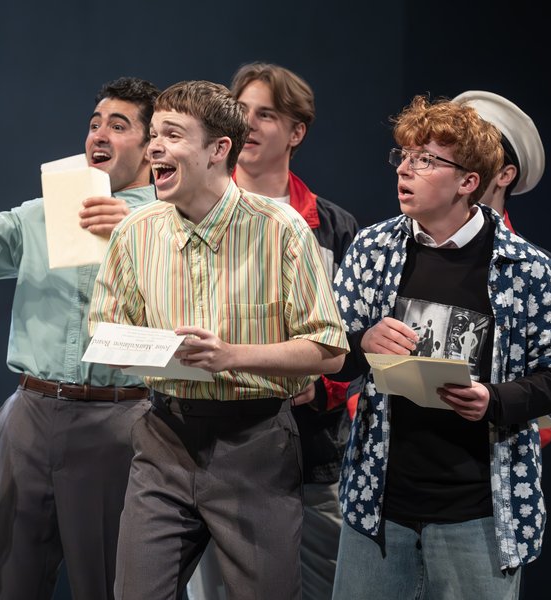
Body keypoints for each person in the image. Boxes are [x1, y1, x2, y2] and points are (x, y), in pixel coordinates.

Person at [90, 80, 349, 599]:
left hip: (255, 442)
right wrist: (152, 351)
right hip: (163, 435)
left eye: (173, 135)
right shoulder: (135, 231)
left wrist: (231, 355)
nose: (155, 147)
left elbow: (329, 349)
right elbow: (104, 327)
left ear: (218, 149)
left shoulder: (280, 229)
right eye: (154, 134)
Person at [329, 95, 551, 599]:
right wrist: (363, 341)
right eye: (404, 156)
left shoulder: (531, 270)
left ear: (468, 183)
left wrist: (494, 400)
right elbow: (329, 351)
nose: (405, 169)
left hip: (479, 514)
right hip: (379, 506)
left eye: (426, 160)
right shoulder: (373, 249)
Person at [0, 77, 160, 600]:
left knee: (109, 585)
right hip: (32, 417)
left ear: (151, 147)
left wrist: (139, 229)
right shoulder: (45, 212)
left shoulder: (172, 224)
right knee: (9, 582)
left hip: (120, 419)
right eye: (94, 124)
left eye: (119, 126)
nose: (99, 134)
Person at [186, 62, 360, 600]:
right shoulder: (188, 210)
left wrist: (320, 387)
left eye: (266, 114)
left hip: (309, 450)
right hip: (206, 440)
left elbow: (356, 339)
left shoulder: (333, 228)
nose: (249, 124)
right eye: (241, 111)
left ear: (296, 132)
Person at [453, 89, 551, 447]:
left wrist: (501, 420)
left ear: (505, 173)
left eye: (477, 152)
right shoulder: (392, 248)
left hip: (491, 456)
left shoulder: (541, 272)